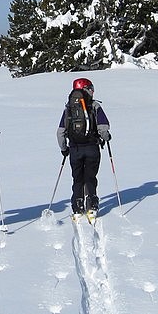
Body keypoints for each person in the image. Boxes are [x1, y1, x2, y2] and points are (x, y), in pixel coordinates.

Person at [56, 78, 111, 217]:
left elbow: (60, 132)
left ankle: (77, 204)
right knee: (90, 177)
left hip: (75, 149)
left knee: (77, 178)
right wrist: (106, 137)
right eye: (91, 87)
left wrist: (64, 149)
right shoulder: (94, 106)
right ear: (86, 88)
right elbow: (103, 128)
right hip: (92, 147)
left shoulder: (69, 107)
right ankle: (91, 202)